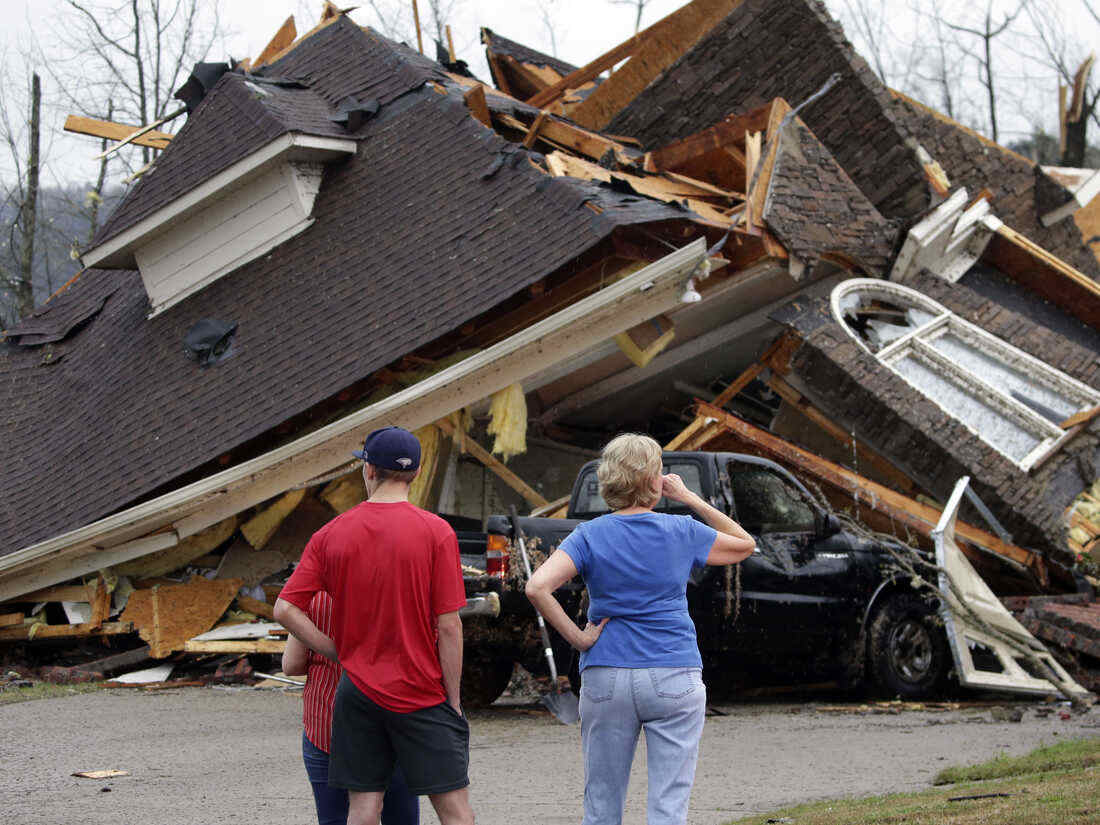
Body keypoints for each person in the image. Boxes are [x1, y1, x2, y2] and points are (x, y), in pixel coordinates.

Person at [526, 433, 756, 825]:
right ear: (654, 481)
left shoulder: (589, 534)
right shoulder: (680, 529)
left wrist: (580, 639)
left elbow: (537, 587)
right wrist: (689, 498)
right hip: (673, 672)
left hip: (606, 674)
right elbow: (744, 544)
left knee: (601, 805)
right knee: (668, 807)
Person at [274, 426, 474, 825]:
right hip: (420, 690)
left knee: (364, 808)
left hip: (358, 691)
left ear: (368, 469)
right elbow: (449, 627)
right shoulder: (437, 532)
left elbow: (285, 609)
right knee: (455, 812)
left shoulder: (330, 534)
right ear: (416, 474)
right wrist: (453, 699)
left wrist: (335, 649)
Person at [282, 590, 419, 825]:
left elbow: (292, 664)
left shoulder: (314, 597)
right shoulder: (401, 591)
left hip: (327, 724)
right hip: (392, 724)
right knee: (400, 816)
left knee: (334, 818)